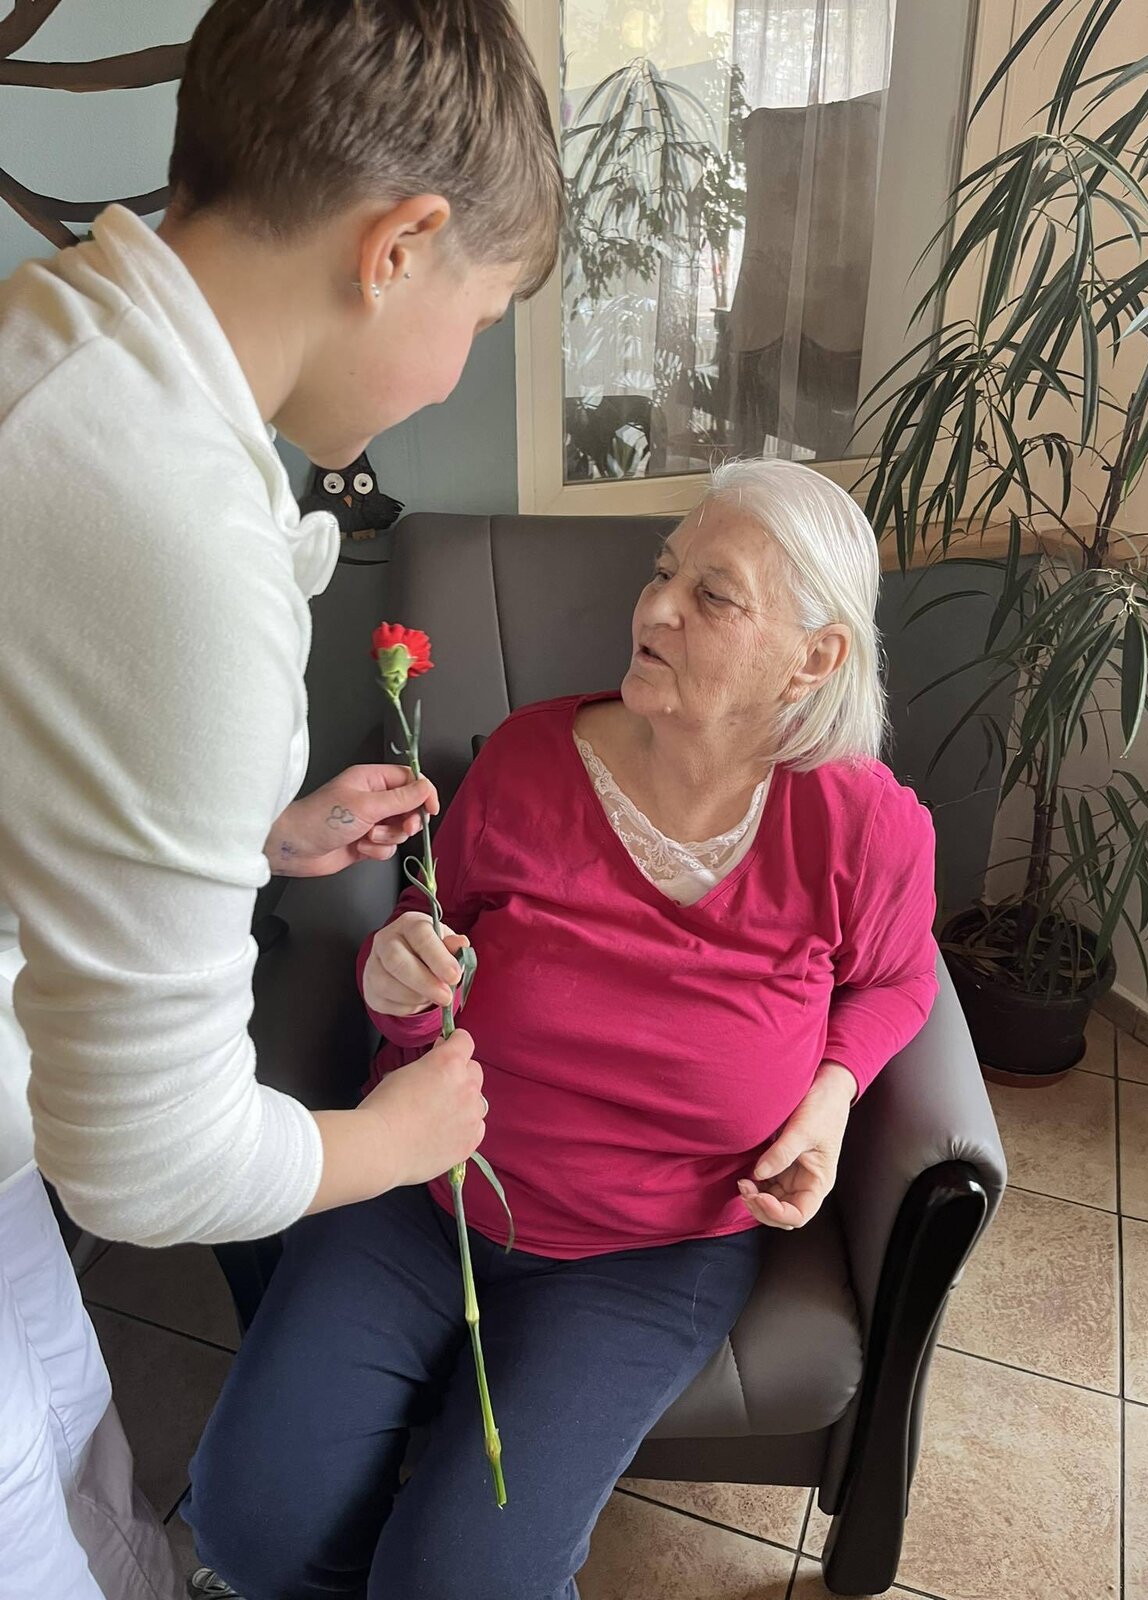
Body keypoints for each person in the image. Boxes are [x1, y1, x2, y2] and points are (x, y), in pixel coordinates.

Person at [0, 2, 562, 1596]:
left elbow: (38, 759)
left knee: (64, 1418)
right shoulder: (175, 529)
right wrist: (390, 1139)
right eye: (484, 313)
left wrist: (250, 841)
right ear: (402, 246)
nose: (458, 370)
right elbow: (146, 1162)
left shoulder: (54, 332)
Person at [185, 459, 941, 1600]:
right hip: (420, 1189)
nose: (655, 606)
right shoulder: (529, 759)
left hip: (646, 1255)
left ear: (814, 656)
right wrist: (397, 975)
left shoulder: (863, 825)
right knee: (249, 1528)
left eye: (713, 594)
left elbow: (898, 980)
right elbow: (425, 939)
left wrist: (833, 1093)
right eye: (663, 571)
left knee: (457, 1581)